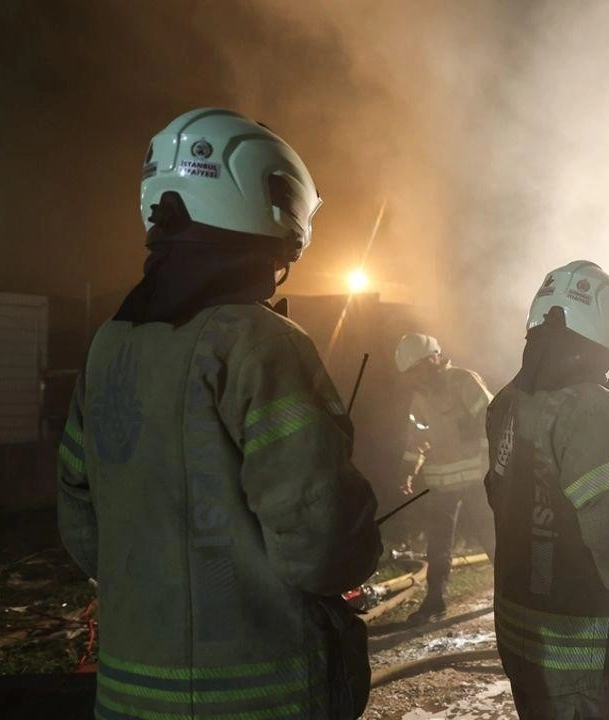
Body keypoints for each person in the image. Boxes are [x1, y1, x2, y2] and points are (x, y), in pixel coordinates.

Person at [56, 108, 382, 720]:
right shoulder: (262, 343)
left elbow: (81, 522)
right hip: (260, 696)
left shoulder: (108, 346)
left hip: (127, 695)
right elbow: (320, 542)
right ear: (267, 202)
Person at [484, 260, 609, 719]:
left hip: (522, 639)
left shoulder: (508, 401)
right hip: (579, 655)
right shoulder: (589, 409)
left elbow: (509, 501)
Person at [393, 332, 496, 623]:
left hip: (477, 480)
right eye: (411, 373)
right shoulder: (421, 398)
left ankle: (512, 594)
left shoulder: (463, 382)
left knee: (492, 537)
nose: (416, 377)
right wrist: (408, 470)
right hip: (441, 485)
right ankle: (435, 601)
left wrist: (492, 467)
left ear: (434, 358)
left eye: (418, 369)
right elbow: (418, 438)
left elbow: (493, 420)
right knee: (437, 545)